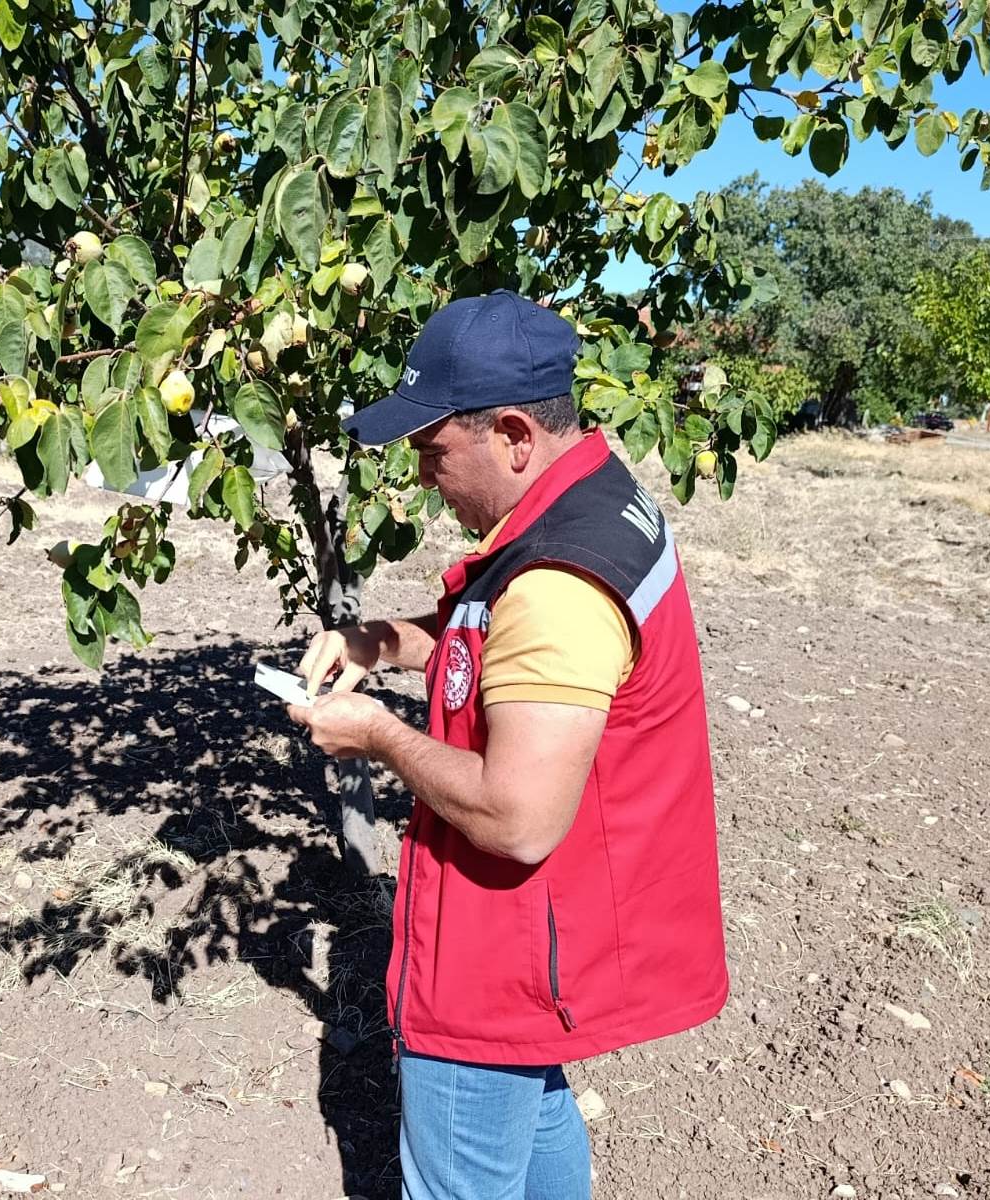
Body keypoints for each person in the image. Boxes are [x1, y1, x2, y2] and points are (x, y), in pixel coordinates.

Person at [287, 290, 728, 1200]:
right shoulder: (588, 505)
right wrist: (382, 642)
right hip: (548, 940)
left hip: (504, 948)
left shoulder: (560, 584)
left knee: (461, 1170)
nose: (421, 476)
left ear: (516, 435)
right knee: (534, 1112)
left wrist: (373, 733)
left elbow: (517, 816)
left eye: (433, 450)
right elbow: (484, 635)